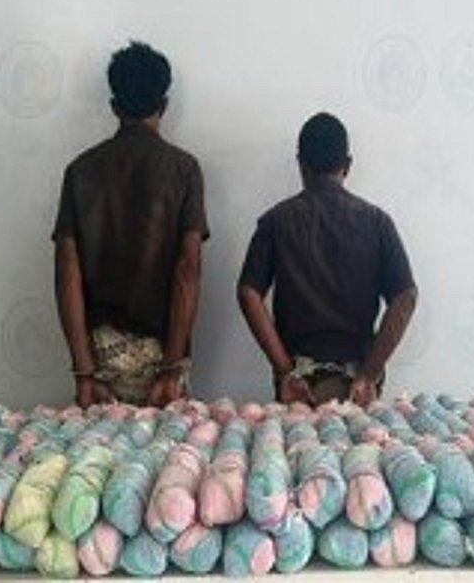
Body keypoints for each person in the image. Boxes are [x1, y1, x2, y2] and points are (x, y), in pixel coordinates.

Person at [53, 41, 208, 407]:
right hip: (164, 359)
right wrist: (171, 369)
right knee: (170, 447)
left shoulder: (80, 171)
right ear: (164, 105)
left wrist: (84, 373)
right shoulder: (184, 170)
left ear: (114, 106)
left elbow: (66, 273)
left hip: (100, 362)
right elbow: (188, 270)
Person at [236, 112, 418, 406]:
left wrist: (285, 370)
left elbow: (248, 292)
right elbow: (406, 297)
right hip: (357, 385)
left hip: (298, 384)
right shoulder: (377, 223)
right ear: (347, 165)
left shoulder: (276, 222)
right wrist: (369, 374)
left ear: (300, 163)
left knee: (293, 438)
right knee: (362, 439)